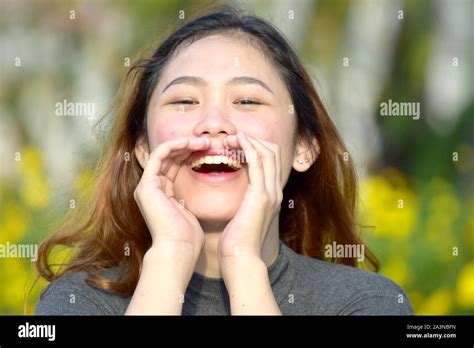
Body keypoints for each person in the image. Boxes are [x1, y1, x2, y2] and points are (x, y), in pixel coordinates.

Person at [35, 6, 413, 315]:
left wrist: (244, 266)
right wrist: (170, 257)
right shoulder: (79, 303)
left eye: (247, 101)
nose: (213, 124)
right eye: (184, 101)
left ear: (304, 147)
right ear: (143, 147)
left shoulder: (364, 304)